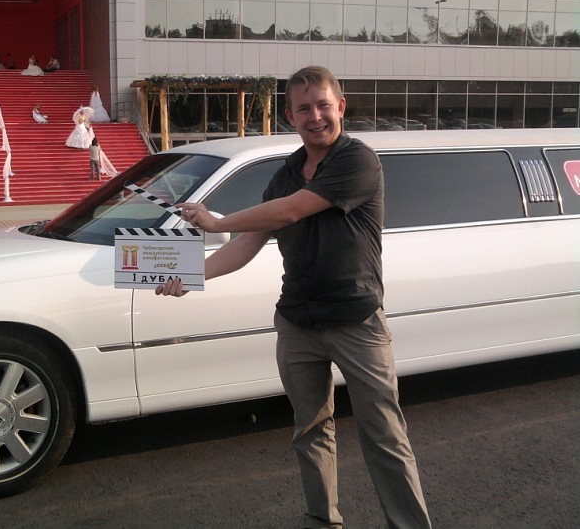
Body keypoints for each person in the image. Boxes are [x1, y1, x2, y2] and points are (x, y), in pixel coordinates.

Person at [156, 66, 431, 529]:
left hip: (357, 322)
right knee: (310, 432)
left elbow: (291, 211)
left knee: (384, 435)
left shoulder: (357, 161)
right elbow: (248, 242)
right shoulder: (284, 175)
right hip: (297, 324)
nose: (315, 116)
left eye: (323, 105)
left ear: (341, 107)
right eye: (304, 108)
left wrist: (216, 221)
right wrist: (189, 274)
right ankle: (322, 520)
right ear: (290, 116)